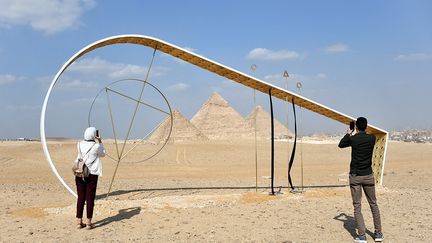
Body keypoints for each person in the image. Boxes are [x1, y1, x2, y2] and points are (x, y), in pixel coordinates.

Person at [338, 117, 383, 243]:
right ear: (366, 126)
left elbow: (341, 144)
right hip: (368, 175)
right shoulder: (372, 138)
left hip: (355, 176)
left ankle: (362, 236)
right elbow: (368, 134)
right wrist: (358, 130)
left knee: (357, 206)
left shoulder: (353, 139)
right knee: (373, 204)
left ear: (356, 127)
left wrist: (349, 133)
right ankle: (378, 234)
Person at [75, 127, 105, 229]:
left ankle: (79, 221)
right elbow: (103, 154)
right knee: (90, 198)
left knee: (80, 197)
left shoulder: (78, 144)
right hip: (91, 174)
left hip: (79, 173)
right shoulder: (96, 146)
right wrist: (100, 140)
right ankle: (88, 222)